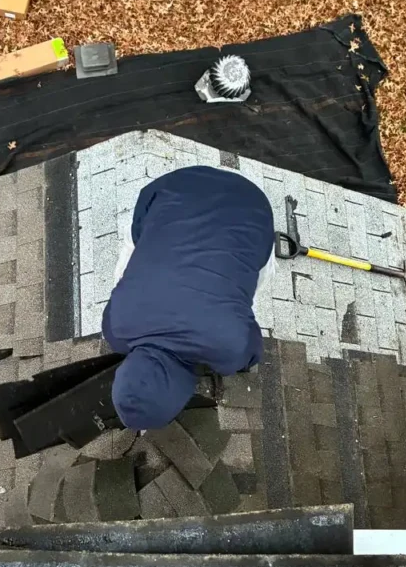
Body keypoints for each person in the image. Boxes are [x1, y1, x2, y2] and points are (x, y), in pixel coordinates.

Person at [102, 165, 276, 431]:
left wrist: (236, 362)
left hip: (251, 208)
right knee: (128, 266)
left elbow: (252, 350)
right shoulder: (115, 328)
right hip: (175, 186)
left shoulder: (229, 349)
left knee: (251, 284)